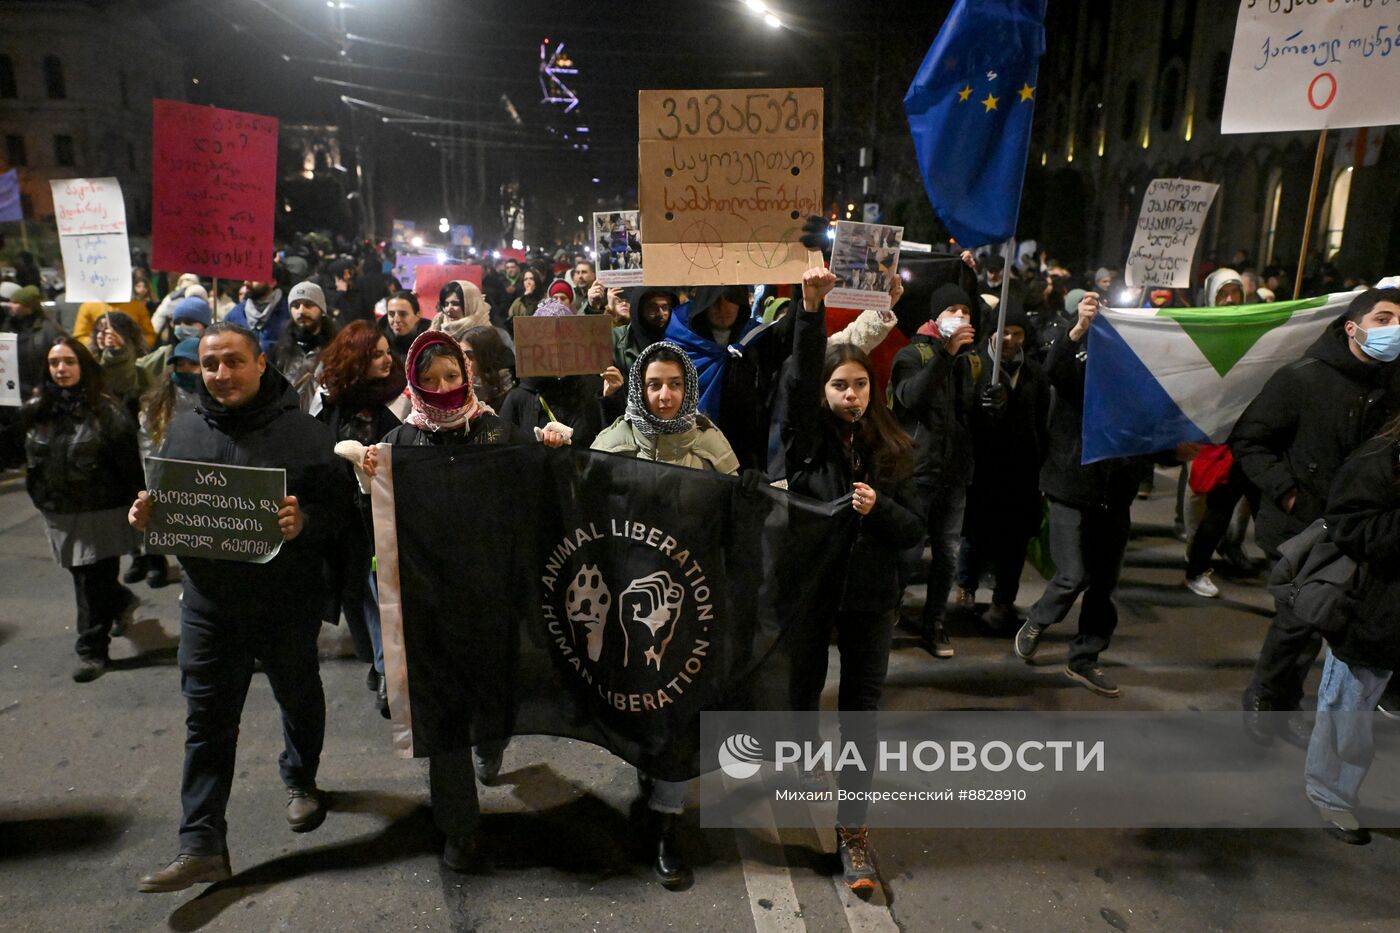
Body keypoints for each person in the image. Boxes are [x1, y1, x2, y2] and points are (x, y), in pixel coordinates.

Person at [128, 322, 352, 894]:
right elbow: (171, 508)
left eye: (232, 362)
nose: (221, 375)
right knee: (205, 721)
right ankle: (200, 843)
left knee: (298, 697)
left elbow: (343, 518)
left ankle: (301, 779)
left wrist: (303, 524)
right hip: (209, 606)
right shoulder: (182, 433)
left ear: (259, 364)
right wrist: (146, 518)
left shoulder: (306, 435)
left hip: (285, 603)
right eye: (209, 365)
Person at [358, 330, 565, 873]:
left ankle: (490, 741)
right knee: (444, 718)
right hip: (430, 608)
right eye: (429, 380)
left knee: (491, 697)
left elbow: (535, 498)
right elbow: (379, 529)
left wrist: (551, 452)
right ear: (413, 384)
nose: (443, 387)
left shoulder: (498, 432)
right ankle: (458, 827)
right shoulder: (399, 444)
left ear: (467, 376)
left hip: (493, 600)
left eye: (451, 376)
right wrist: (366, 483)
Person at [783, 267, 924, 892]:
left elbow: (915, 531)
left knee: (861, 716)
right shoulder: (807, 443)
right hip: (813, 593)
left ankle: (853, 833)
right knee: (801, 693)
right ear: (824, 393)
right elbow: (795, 381)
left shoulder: (893, 445)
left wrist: (880, 509)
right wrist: (810, 310)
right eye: (839, 385)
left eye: (860, 384)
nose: (851, 395)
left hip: (871, 600)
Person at [591, 340, 738, 887]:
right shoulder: (612, 443)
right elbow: (585, 513)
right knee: (640, 706)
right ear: (639, 387)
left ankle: (668, 826)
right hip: (630, 601)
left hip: (690, 605)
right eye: (654, 384)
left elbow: (737, 518)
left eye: (675, 384)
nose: (665, 394)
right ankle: (651, 793)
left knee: (679, 713)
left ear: (689, 387)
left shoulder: (710, 444)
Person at [1233, 288, 1400, 743]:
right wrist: (1287, 494)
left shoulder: (1392, 387)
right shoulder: (1302, 379)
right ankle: (1266, 701)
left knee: (1327, 618)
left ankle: (1291, 703)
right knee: (1300, 619)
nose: (1393, 330)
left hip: (1356, 526)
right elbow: (1250, 441)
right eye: (1383, 318)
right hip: (1301, 526)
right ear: (1352, 326)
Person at [1014, 293, 1152, 698]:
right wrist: (1077, 331)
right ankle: (1039, 619)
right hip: (1071, 488)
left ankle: (1085, 658)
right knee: (1073, 574)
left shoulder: (1140, 381)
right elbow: (1052, 369)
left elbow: (1151, 431)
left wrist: (1174, 451)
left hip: (1115, 495)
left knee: (1103, 585)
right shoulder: (1080, 365)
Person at [23, 335, 144, 682]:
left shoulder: (108, 412)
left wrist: (138, 510)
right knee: (84, 576)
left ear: (83, 366)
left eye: (69, 362)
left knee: (92, 581)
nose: (61, 369)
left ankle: (92, 650)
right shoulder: (36, 410)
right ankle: (121, 602)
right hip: (59, 512)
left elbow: (128, 468)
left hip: (100, 511)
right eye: (54, 363)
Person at [1303, 419, 1400, 845]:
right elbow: (1349, 526)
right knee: (1349, 704)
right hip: (1376, 609)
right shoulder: (1380, 459)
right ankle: (1331, 792)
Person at [316, 320, 408, 716]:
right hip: (342, 518)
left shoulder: (397, 399)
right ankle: (375, 659)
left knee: (379, 593)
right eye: (377, 354)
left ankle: (389, 671)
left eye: (388, 352)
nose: (388, 360)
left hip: (380, 517)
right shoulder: (333, 402)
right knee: (353, 591)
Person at [889, 283, 981, 658]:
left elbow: (968, 416)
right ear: (935, 316)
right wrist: (946, 354)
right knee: (908, 550)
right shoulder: (912, 354)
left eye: (965, 311)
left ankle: (935, 623)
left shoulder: (970, 362)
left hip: (954, 472)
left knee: (947, 551)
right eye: (952, 310)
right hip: (918, 470)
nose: (959, 317)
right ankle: (888, 609)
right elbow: (910, 398)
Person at [956, 302, 1051, 632]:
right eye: (1005, 331)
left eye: (1018, 333)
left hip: (1021, 471)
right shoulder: (974, 365)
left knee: (1015, 541)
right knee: (975, 534)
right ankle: (965, 589)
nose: (1011, 339)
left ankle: (1002, 601)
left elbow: (1042, 420)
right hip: (982, 468)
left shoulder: (1035, 373)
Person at [498, 298, 621, 449]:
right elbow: (504, 451)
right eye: (547, 342)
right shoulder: (519, 398)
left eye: (564, 342)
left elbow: (612, 443)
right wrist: (537, 443)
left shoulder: (595, 387)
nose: (556, 350)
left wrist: (611, 399)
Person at [270, 281, 335, 413]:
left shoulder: (336, 350)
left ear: (322, 310)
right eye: (295, 305)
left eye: (308, 305)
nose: (301, 311)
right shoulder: (279, 350)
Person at [139, 295, 212, 384]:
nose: (181, 327)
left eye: (188, 322)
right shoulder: (165, 354)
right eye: (177, 323)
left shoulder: (215, 355)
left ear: (205, 327)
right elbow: (136, 371)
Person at [612, 286, 679, 374]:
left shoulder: (678, 341)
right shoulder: (615, 339)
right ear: (639, 310)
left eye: (665, 307)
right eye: (652, 308)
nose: (660, 314)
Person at [224, 273, 290, 355]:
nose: (246, 282)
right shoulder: (234, 315)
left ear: (272, 282)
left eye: (254, 277)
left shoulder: (290, 311)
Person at [458, 325, 516, 411]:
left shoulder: (513, 395)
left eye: (469, 356)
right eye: (461, 355)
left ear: (486, 356)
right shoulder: (459, 390)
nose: (463, 362)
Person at [73, 299, 157, 348]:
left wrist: (131, 346)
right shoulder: (88, 306)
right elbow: (80, 336)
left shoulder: (136, 305)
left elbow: (149, 335)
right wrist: (99, 344)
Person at [380, 290, 430, 363]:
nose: (396, 319)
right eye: (391, 314)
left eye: (403, 314)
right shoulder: (378, 337)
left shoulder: (431, 339)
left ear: (418, 315)